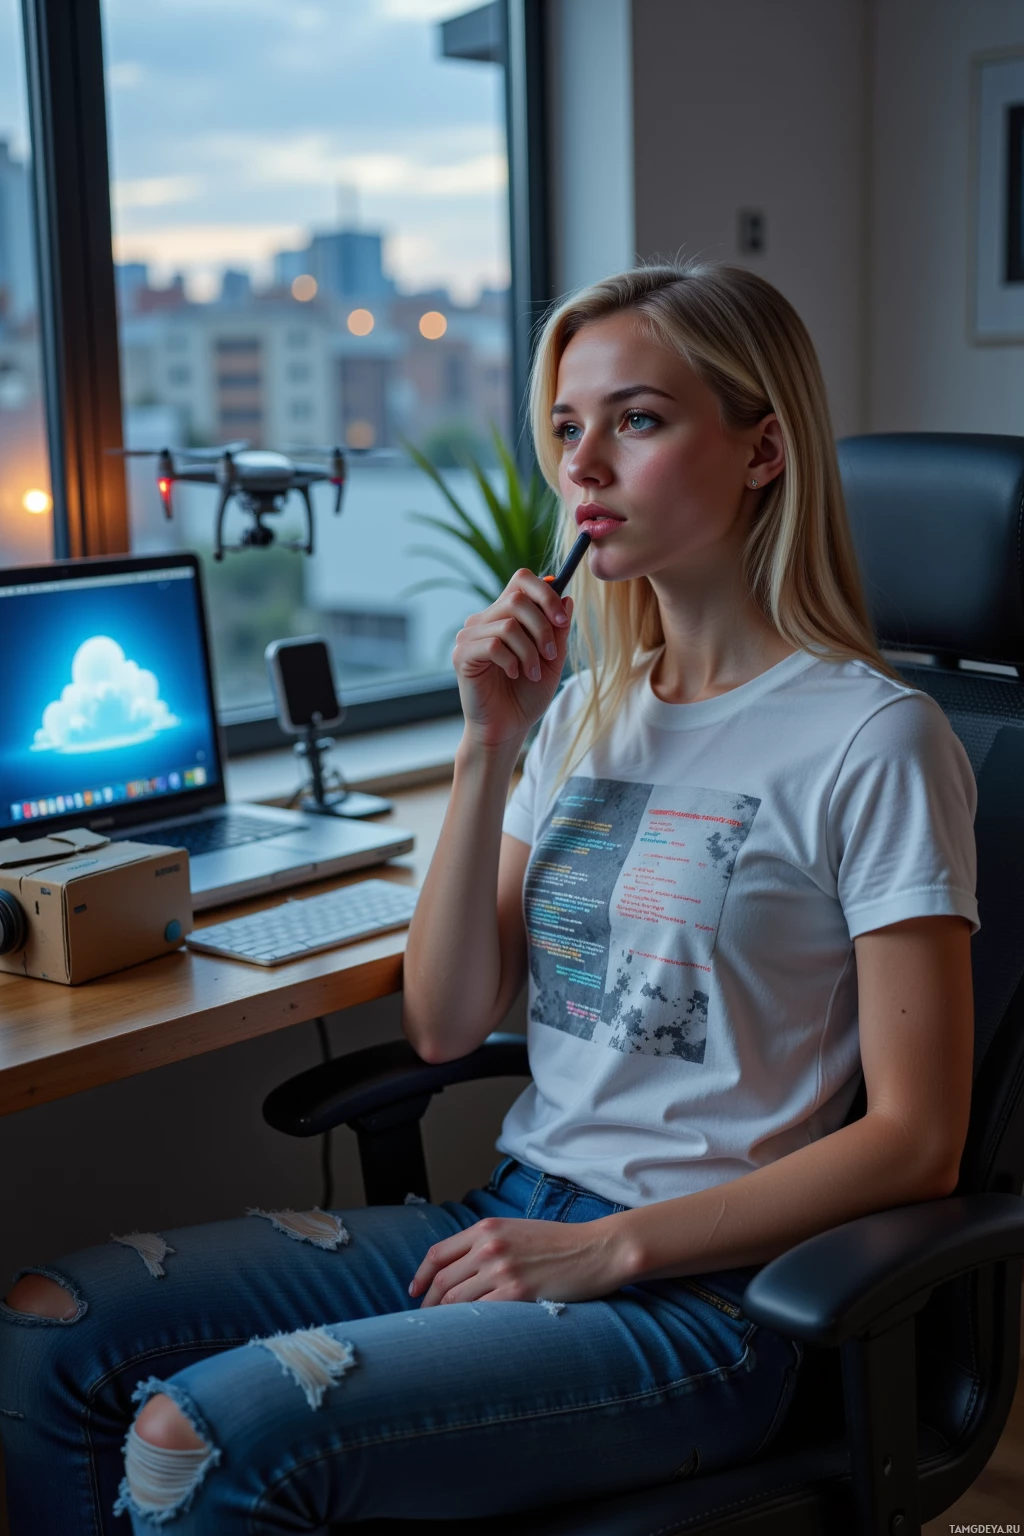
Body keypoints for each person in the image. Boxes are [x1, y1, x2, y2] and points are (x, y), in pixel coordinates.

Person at [0, 262, 978, 1534]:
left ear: (761, 448)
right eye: (566, 427)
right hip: (513, 1214)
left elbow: (919, 1140)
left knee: (196, 1439)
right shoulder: (581, 712)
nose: (583, 467)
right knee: (45, 1334)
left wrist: (613, 1249)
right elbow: (447, 1024)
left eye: (637, 419)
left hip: (711, 1299)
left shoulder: (874, 738)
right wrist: (485, 746)